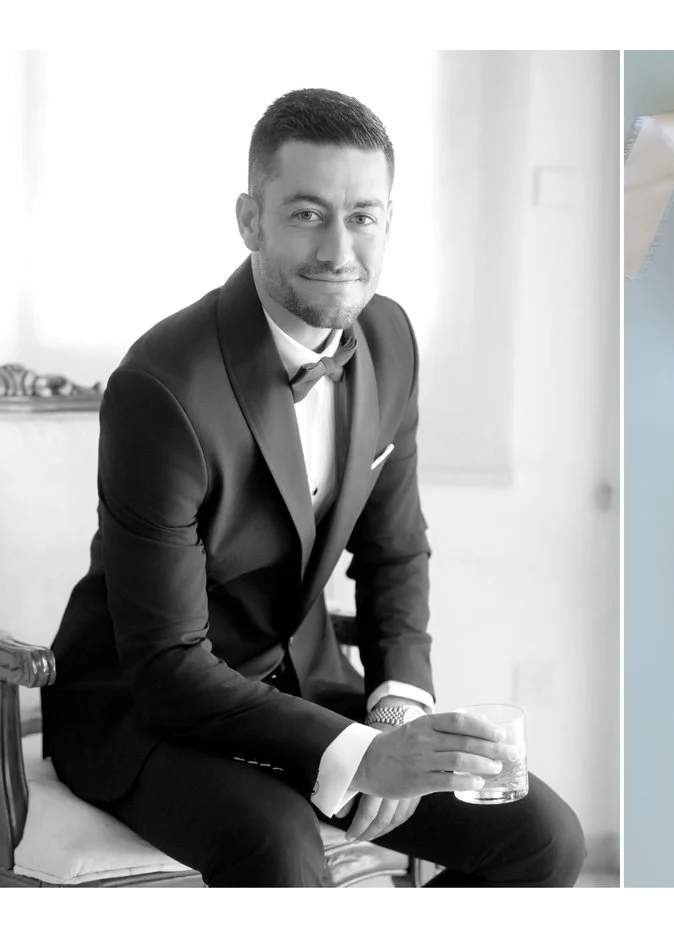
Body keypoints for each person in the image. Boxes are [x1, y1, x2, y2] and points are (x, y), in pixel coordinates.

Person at [39, 88, 583, 887]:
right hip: (145, 710)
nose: (339, 248)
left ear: (388, 223)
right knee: (279, 847)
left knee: (542, 837)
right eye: (306, 214)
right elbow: (166, 665)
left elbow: (395, 555)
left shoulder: (390, 339)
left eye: (362, 215)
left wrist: (396, 715)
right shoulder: (162, 388)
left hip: (311, 684)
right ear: (251, 220)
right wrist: (363, 755)